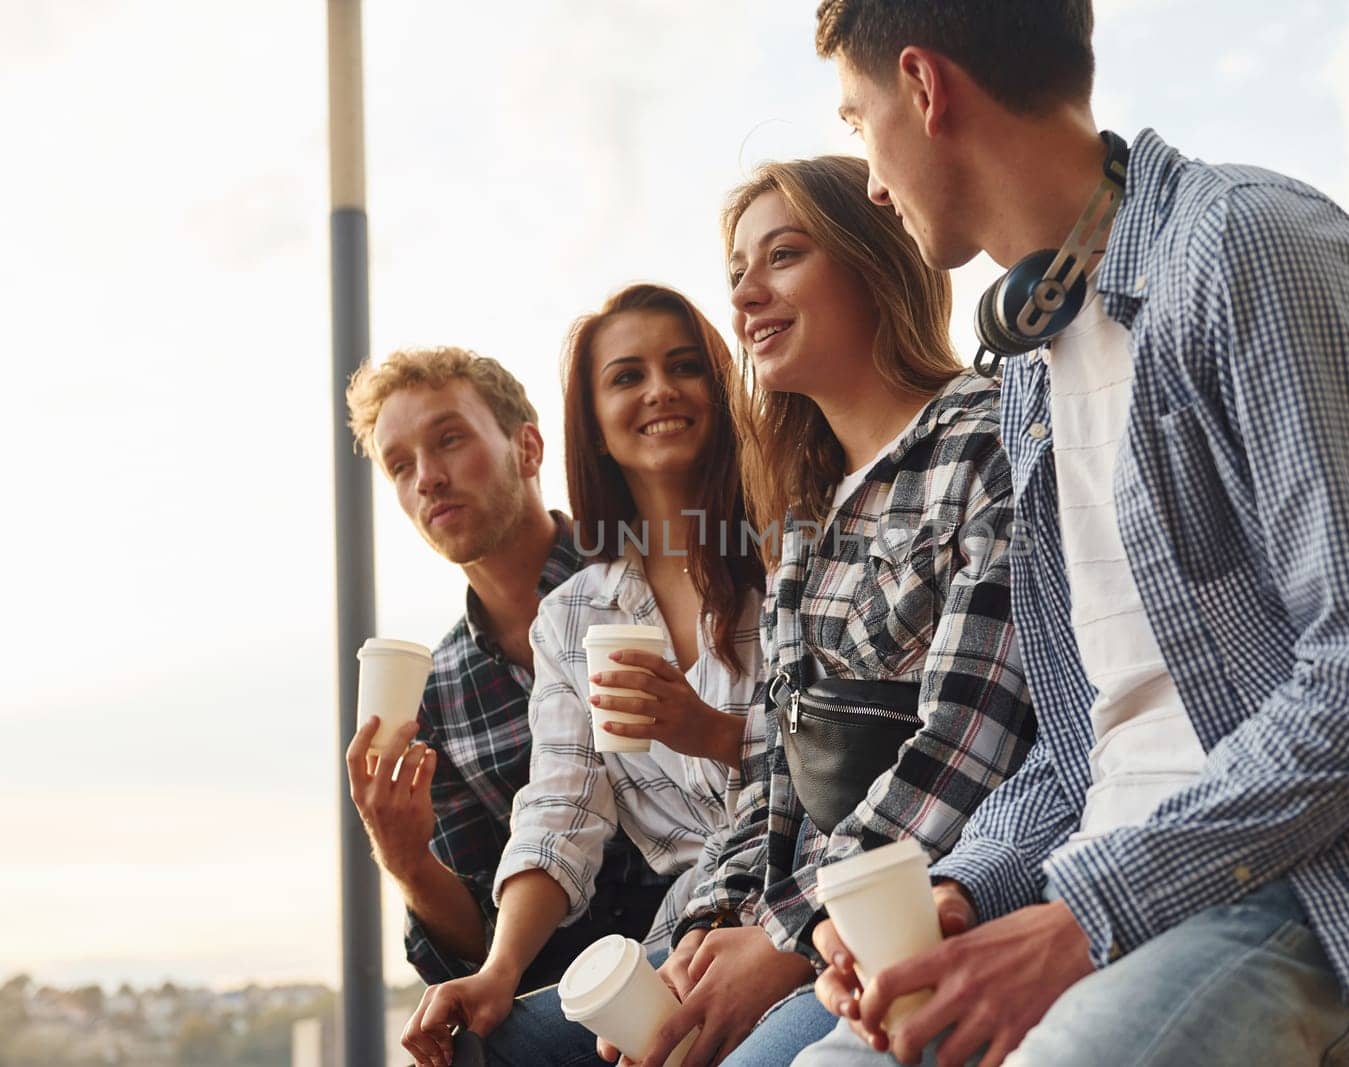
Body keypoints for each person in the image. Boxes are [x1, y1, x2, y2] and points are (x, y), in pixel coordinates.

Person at [800, 3, 1349, 1066]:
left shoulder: (1253, 248)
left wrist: (1079, 916)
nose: (870, 178)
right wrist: (966, 889)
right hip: (1094, 895)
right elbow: (1084, 744)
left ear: (923, 87)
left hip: (1312, 902)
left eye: (856, 119)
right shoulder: (1031, 370)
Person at [616, 154, 1036, 1067]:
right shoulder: (805, 509)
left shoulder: (986, 442)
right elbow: (769, 773)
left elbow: (967, 746)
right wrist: (714, 923)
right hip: (786, 911)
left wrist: (781, 939)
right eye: (736, 273)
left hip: (907, 918)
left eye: (784, 256)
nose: (748, 294)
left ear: (874, 258)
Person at [399, 285, 768, 1067]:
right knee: (479, 1052)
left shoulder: (788, 545)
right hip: (683, 940)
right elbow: (562, 806)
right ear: (592, 424)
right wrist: (496, 971)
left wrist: (705, 728)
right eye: (627, 377)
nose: (659, 390)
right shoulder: (572, 615)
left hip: (796, 911)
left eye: (682, 367)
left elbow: (846, 751)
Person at [344, 346, 671, 994]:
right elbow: (483, 944)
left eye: (449, 439)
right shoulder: (436, 694)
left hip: (714, 944)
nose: (427, 478)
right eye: (400, 465)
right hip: (576, 999)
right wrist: (406, 859)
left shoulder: (655, 581)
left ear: (527, 448)